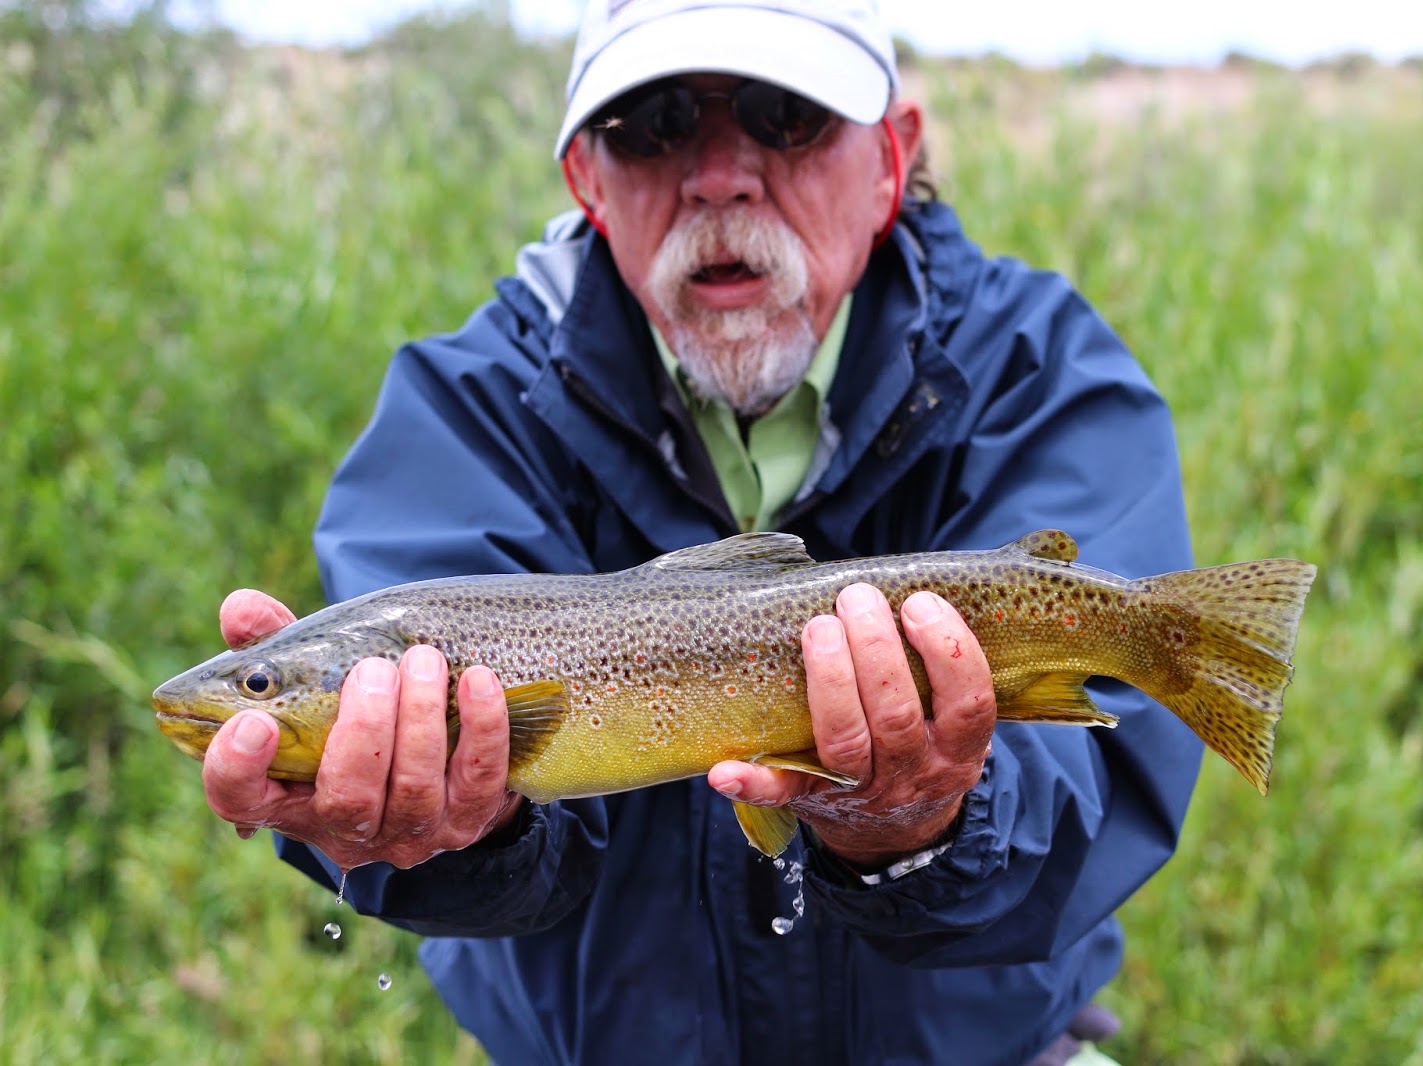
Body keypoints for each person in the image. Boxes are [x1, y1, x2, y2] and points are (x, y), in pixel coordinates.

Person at [200, 1, 1203, 1063]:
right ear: (586, 178)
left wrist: (931, 823)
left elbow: (1112, 771)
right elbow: (465, 854)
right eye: (654, 124)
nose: (719, 176)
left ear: (892, 160)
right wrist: (454, 830)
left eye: (786, 116)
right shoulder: (465, 411)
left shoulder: (1035, 367)